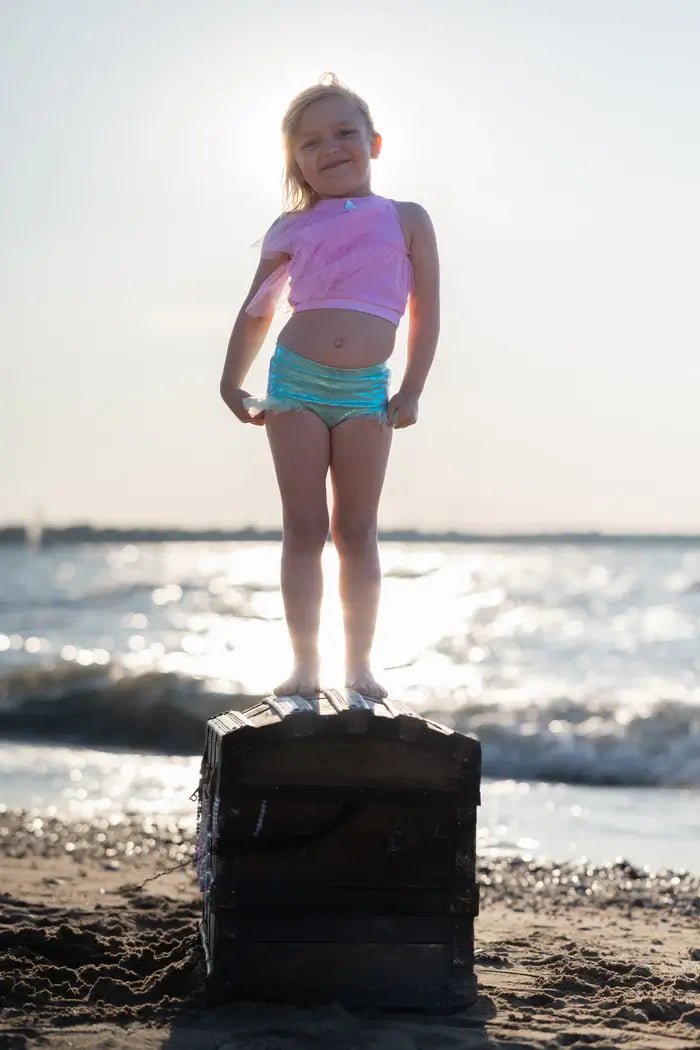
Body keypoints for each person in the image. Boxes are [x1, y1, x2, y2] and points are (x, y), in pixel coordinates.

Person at [220, 74, 440, 699]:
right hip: (295, 382)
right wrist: (230, 381)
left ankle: (361, 666)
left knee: (358, 530)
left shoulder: (406, 218)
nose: (330, 147)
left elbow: (426, 311)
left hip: (368, 388)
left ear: (373, 143)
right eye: (311, 141)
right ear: (296, 161)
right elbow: (258, 308)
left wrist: (413, 389)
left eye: (344, 132)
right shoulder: (291, 227)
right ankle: (303, 666)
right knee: (304, 526)